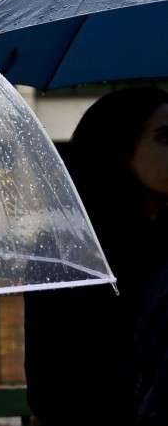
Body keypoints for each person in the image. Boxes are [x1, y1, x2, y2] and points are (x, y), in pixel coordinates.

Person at [23, 87, 168, 426]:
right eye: (164, 137)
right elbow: (57, 382)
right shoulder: (69, 250)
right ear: (120, 147)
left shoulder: (158, 238)